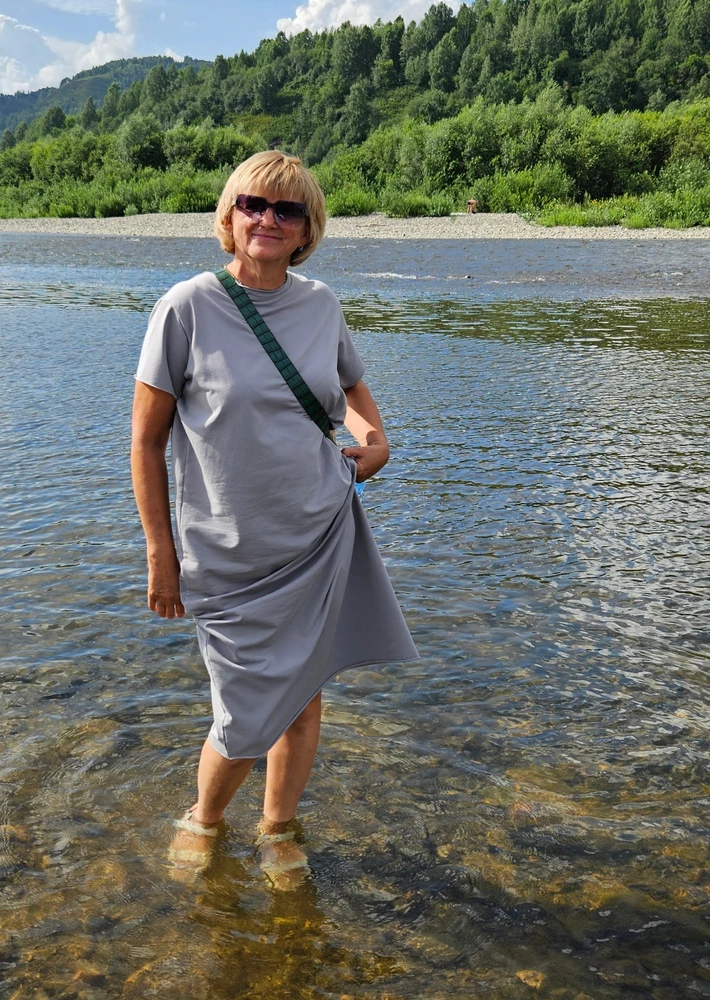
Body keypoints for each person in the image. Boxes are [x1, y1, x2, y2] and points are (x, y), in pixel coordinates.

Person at [131, 150, 417, 888]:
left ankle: (279, 827)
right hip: (223, 551)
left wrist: (373, 448)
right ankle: (204, 817)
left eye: (287, 211)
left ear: (307, 229)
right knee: (241, 710)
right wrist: (161, 556)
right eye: (255, 204)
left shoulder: (322, 305)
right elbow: (146, 440)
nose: (268, 220)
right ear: (229, 215)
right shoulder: (187, 306)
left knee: (302, 693)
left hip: (319, 532)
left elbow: (352, 388)